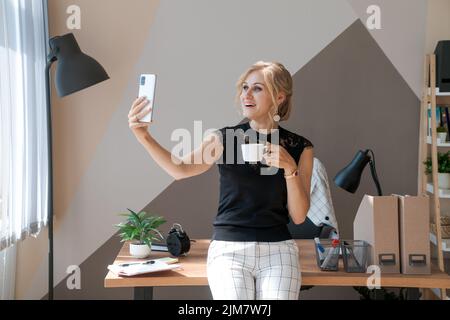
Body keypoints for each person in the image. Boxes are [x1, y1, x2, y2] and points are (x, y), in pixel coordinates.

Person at [128, 61, 314, 300]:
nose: (246, 94)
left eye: (257, 88)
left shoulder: (301, 147)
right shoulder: (225, 138)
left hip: (278, 249)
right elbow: (180, 169)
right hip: (229, 250)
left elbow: (298, 217)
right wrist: (144, 136)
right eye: (244, 87)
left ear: (279, 97)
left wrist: (290, 168)